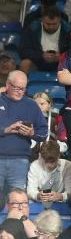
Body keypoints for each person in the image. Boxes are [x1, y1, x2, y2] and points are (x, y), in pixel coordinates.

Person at [0, 70, 48, 203]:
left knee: (17, 202)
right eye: (16, 88)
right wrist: (6, 130)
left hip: (20, 161)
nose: (20, 91)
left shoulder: (31, 105)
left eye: (23, 88)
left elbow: (44, 133)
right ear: (8, 84)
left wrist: (32, 133)